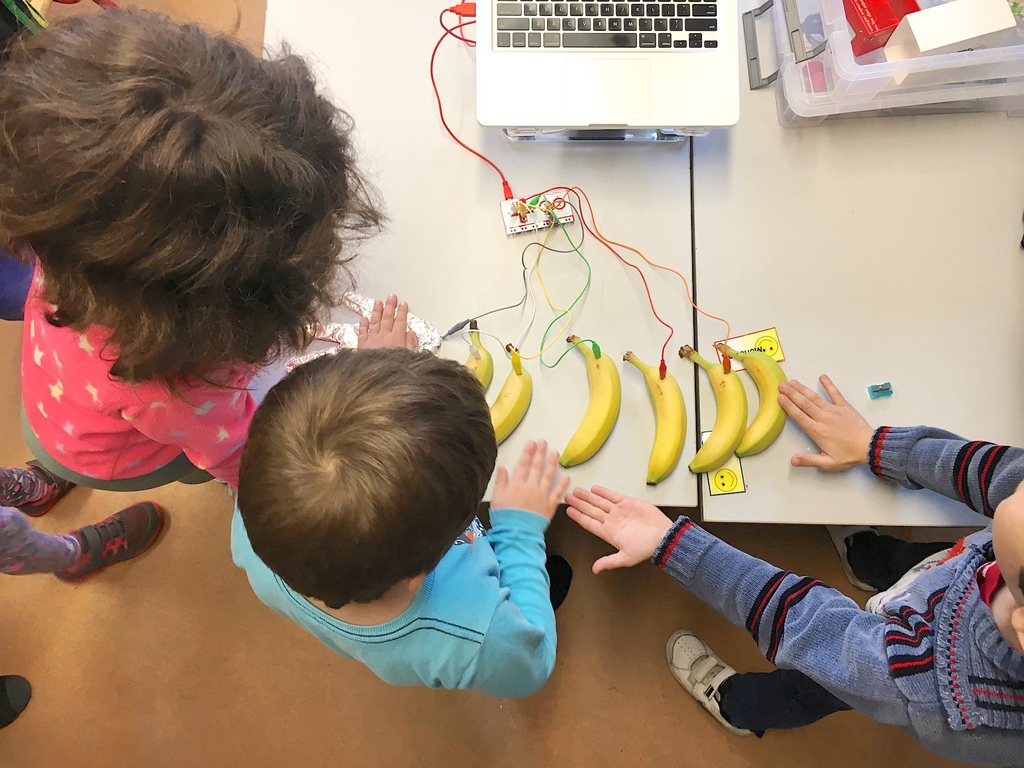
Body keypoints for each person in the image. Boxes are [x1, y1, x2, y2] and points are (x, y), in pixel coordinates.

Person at [0, 9, 382, 568]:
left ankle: (48, 477)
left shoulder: (75, 248)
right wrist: (270, 479)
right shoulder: (174, 387)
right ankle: (59, 483)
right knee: (206, 454)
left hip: (61, 410)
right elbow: (236, 455)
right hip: (117, 450)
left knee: (83, 439)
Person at [565, 374, 1024, 766]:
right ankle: (869, 558)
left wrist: (676, 545)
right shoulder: (1012, 552)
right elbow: (995, 472)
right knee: (913, 563)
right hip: (959, 571)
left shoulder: (934, 684)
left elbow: (808, 624)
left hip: (891, 664)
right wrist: (874, 446)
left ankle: (740, 706)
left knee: (814, 684)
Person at [232, 348, 572, 698]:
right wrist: (519, 531)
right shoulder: (479, 634)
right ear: (417, 578)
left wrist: (372, 393)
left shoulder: (253, 532)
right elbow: (532, 669)